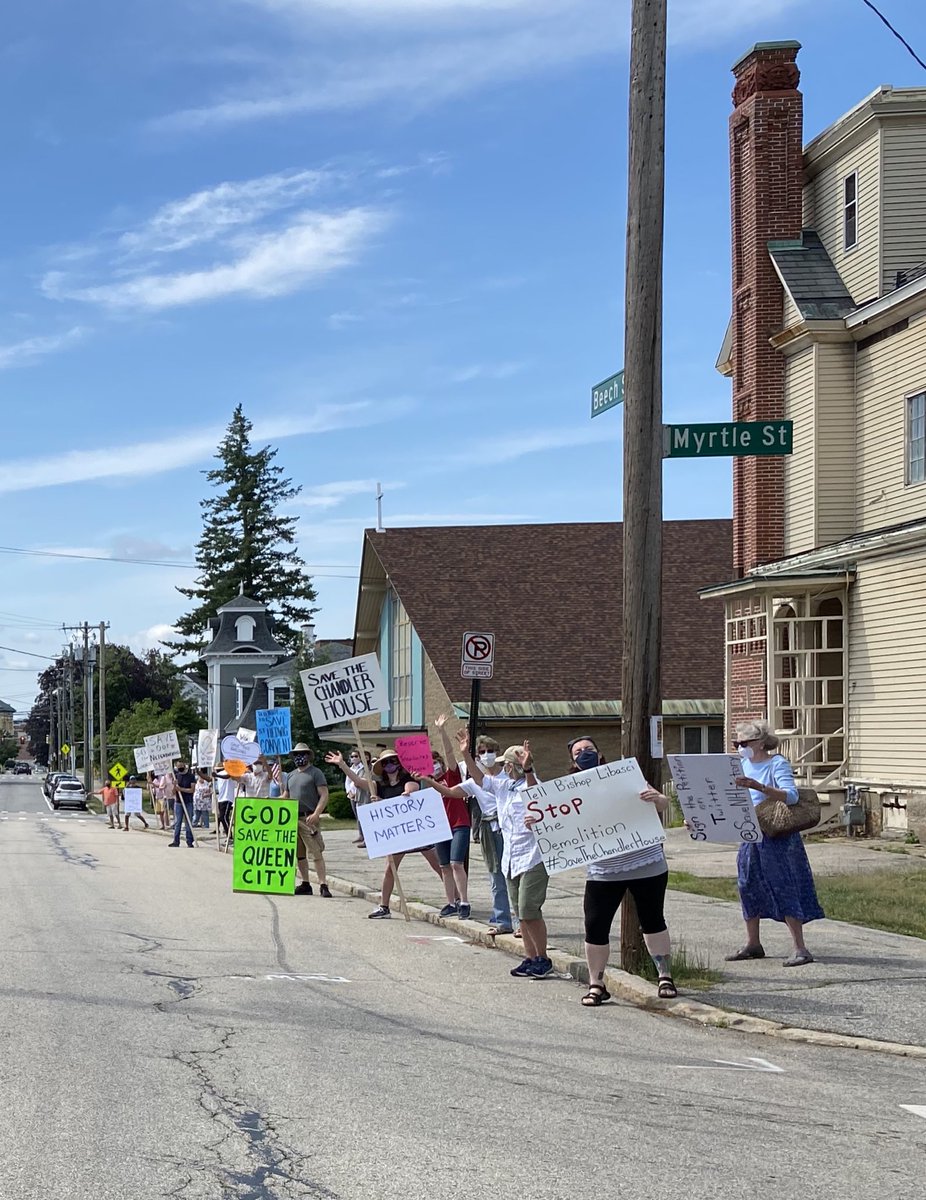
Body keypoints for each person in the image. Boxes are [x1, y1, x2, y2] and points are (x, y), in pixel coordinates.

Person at [556, 736, 676, 1006]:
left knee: (653, 919)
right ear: (572, 761)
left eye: (589, 749)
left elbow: (663, 804)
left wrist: (658, 798)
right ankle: (596, 983)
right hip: (604, 869)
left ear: (600, 755)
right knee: (595, 925)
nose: (584, 753)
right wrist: (536, 822)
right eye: (578, 751)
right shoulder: (567, 791)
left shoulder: (624, 776)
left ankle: (665, 975)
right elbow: (557, 823)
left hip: (645, 861)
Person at [440, 733, 553, 978]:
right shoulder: (503, 787)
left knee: (528, 909)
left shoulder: (530, 784)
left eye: (506, 763)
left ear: (512, 765)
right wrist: (465, 754)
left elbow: (536, 795)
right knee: (519, 911)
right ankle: (530, 957)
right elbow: (479, 779)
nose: (503, 766)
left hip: (533, 856)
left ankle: (543, 958)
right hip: (511, 858)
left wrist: (529, 768)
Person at [726, 719, 824, 967]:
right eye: (736, 742)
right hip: (752, 833)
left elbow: (790, 795)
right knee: (747, 884)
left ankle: (800, 947)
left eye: (743, 742)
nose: (739, 746)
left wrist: (759, 786)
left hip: (777, 835)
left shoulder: (776, 763)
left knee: (783, 884)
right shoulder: (740, 765)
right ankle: (753, 943)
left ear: (759, 743)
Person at [327, 748, 443, 918]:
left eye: (392, 761)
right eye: (386, 762)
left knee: (438, 865)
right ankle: (384, 906)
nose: (390, 765)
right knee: (390, 869)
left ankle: (455, 899)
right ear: (382, 766)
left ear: (398, 763)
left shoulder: (408, 780)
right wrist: (342, 764)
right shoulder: (378, 786)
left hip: (416, 830)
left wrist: (392, 799)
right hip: (397, 835)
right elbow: (358, 782)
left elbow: (410, 791)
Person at [424, 719, 470, 919]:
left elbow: (450, 754)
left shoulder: (451, 776)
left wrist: (441, 730)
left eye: (436, 762)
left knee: (456, 863)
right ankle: (451, 902)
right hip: (440, 827)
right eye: (430, 763)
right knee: (444, 866)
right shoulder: (427, 783)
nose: (434, 766)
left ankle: (465, 902)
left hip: (459, 823)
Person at [282, 744, 332, 898]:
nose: (299, 757)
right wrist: (268, 802)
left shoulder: (316, 773)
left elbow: (324, 795)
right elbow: (285, 796)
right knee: (299, 854)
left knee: (316, 852)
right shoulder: (290, 775)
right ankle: (305, 883)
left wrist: (317, 813)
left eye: (302, 754)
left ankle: (323, 884)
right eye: (296, 754)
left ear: (308, 756)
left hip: (309, 819)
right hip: (293, 818)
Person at [169, 762, 196, 848]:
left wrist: (181, 789)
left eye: (181, 766)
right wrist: (174, 785)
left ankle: (189, 841)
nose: (180, 768)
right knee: (177, 822)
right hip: (178, 802)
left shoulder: (191, 776)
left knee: (188, 822)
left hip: (188, 802)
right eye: (178, 767)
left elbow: (192, 790)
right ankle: (176, 841)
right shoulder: (176, 776)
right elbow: (173, 792)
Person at [215, 768, 237, 840]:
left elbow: (228, 776)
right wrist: (199, 773)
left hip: (228, 798)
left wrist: (217, 775)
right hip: (220, 799)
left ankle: (229, 835)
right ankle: (228, 835)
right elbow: (209, 778)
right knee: (224, 818)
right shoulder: (219, 774)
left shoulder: (229, 772)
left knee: (223, 817)